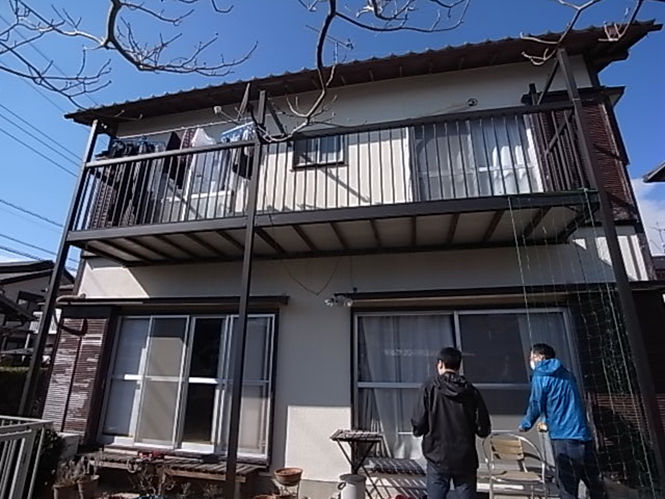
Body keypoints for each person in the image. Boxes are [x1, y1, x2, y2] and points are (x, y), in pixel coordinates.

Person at [519, 343, 606, 499]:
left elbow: (536, 403)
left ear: (540, 357)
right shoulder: (567, 373)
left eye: (532, 357)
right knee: (595, 484)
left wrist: (526, 423)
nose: (530, 361)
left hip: (563, 437)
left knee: (567, 486)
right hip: (583, 434)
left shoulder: (541, 376)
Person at [412, 347, 491, 499]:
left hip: (437, 455)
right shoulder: (470, 391)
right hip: (465, 456)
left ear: (441, 364)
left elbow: (418, 422)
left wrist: (421, 430)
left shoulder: (429, 388)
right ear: (458, 366)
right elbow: (483, 428)